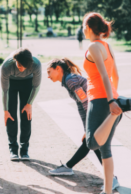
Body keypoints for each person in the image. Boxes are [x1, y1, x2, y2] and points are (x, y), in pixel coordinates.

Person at [82, 12, 131, 194]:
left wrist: (111, 102)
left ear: (89, 28)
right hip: (110, 99)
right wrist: (114, 97)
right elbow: (115, 75)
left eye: (84, 26)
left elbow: (103, 76)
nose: (82, 29)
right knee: (105, 149)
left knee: (92, 143)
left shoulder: (93, 47)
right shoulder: (107, 46)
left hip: (101, 100)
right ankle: (108, 192)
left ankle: (121, 107)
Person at [46, 58, 119, 191]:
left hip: (98, 112)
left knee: (95, 143)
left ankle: (112, 178)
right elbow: (84, 102)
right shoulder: (69, 79)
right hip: (96, 112)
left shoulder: (70, 80)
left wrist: (89, 127)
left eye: (49, 71)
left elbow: (85, 102)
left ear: (58, 68)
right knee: (91, 143)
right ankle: (68, 167)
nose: (48, 76)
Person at [1, 49, 41, 161]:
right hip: (11, 84)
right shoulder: (7, 66)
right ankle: (13, 150)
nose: (21, 68)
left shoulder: (36, 64)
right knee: (11, 115)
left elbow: (36, 86)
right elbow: (4, 90)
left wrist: (29, 104)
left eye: (24, 66)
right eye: (19, 65)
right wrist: (5, 110)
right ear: (15, 60)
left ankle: (24, 150)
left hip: (27, 83)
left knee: (26, 116)